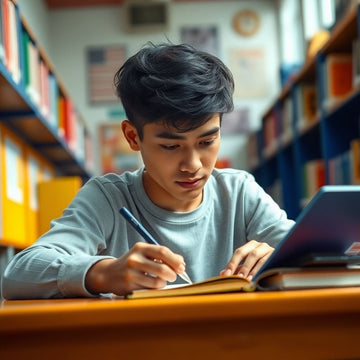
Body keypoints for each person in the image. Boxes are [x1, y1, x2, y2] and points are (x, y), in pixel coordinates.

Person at [2, 42, 294, 299]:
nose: (193, 164)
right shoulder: (107, 199)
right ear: (132, 137)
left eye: (207, 141)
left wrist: (283, 255)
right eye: (170, 146)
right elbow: (18, 274)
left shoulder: (239, 192)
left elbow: (329, 253)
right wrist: (103, 273)